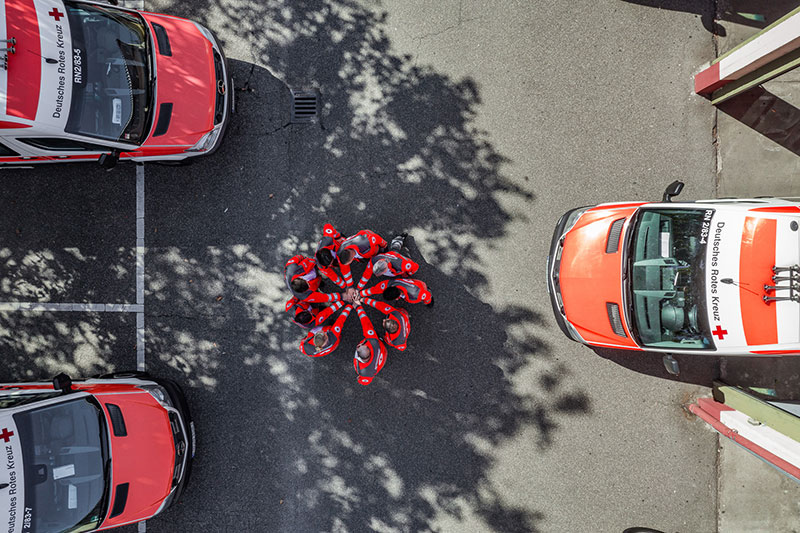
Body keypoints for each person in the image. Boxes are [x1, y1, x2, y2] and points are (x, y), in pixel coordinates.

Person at [352, 303, 388, 385]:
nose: (360, 345)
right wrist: (357, 306)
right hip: (379, 346)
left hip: (383, 351)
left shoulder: (373, 372)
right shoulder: (373, 343)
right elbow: (365, 322)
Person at [314, 223, 348, 288]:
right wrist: (345, 286)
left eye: (330, 264)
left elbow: (327, 225)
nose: (330, 266)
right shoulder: (322, 267)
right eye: (329, 265)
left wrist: (338, 236)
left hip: (338, 243)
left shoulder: (328, 239)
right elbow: (333, 276)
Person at [361, 278, 433, 306]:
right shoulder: (390, 283)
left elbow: (427, 296)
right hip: (413, 283)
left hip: (421, 286)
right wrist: (361, 294)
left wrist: (427, 302)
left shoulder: (414, 296)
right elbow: (376, 289)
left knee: (428, 297)